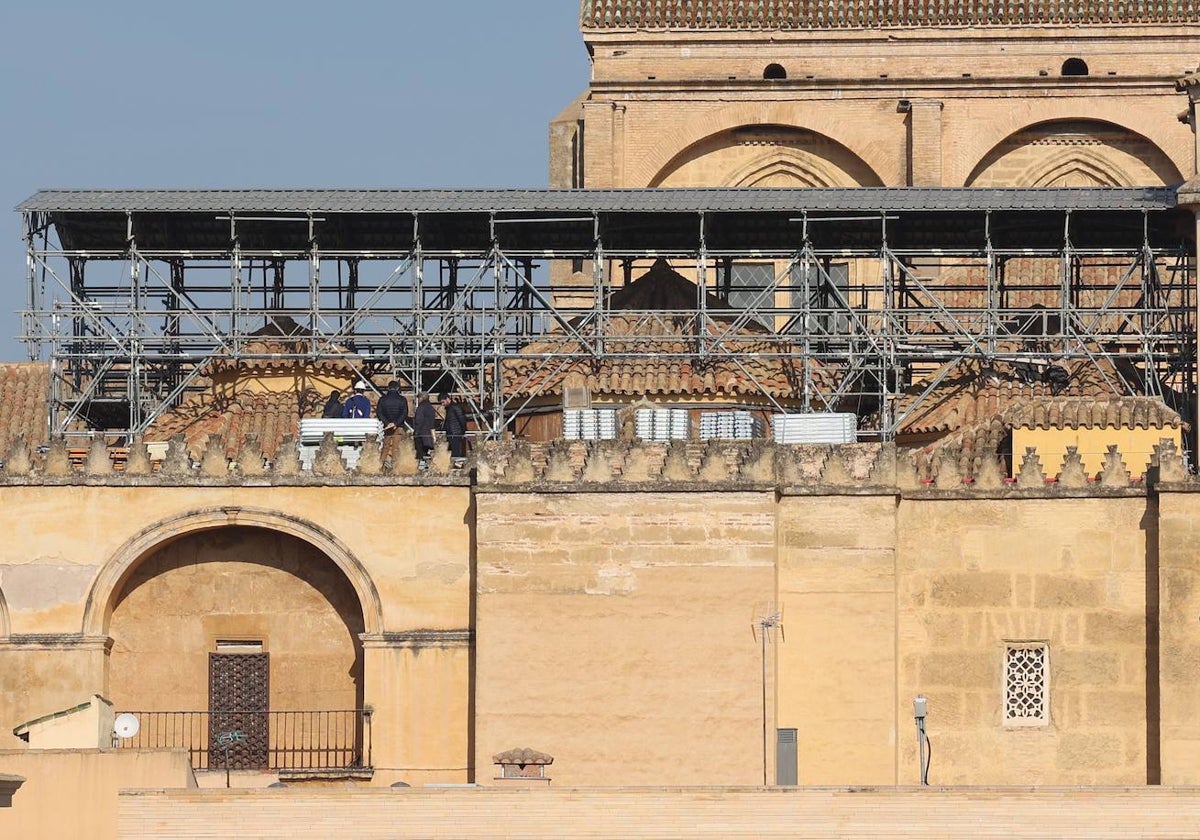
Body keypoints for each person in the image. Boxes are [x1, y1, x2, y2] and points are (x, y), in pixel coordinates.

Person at [376, 381, 409, 461]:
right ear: (398, 388)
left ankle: (380, 467)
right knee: (396, 448)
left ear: (388, 388)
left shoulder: (382, 399)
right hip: (398, 427)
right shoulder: (402, 399)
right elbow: (404, 413)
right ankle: (396, 468)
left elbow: (379, 413)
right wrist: (395, 424)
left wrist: (388, 423)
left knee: (385, 447)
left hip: (387, 427)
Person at [441, 394, 468, 466]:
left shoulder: (455, 407)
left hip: (455, 433)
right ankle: (455, 465)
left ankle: (458, 466)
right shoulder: (449, 408)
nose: (442, 404)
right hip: (451, 433)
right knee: (452, 452)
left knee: (456, 452)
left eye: (443, 402)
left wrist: (463, 431)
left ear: (447, 399)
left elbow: (462, 419)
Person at [412, 392, 436, 467]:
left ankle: (421, 467)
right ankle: (426, 466)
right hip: (428, 433)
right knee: (426, 452)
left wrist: (416, 432)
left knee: (420, 452)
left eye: (418, 398)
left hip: (421, 433)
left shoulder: (421, 407)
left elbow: (418, 420)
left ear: (421, 398)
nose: (418, 400)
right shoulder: (431, 408)